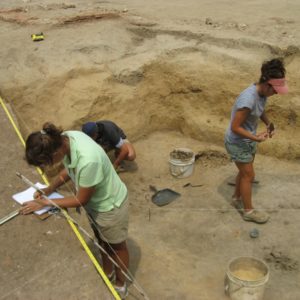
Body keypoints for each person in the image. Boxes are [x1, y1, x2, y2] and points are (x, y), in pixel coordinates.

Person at [20, 122, 129, 298]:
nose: (46, 168)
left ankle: (120, 283)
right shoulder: (66, 139)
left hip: (110, 207)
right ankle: (107, 272)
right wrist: (50, 188)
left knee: (117, 247)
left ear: (56, 152)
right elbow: (68, 170)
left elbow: (81, 199)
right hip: (96, 205)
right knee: (102, 241)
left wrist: (44, 203)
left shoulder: (88, 160)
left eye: (46, 163)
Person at [225, 58, 288, 224]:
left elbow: (260, 111)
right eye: (275, 90)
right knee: (248, 175)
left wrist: (268, 123)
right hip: (238, 142)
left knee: (245, 172)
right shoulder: (248, 100)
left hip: (248, 139)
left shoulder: (262, 93)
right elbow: (235, 127)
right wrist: (256, 138)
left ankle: (236, 198)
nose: (276, 94)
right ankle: (248, 211)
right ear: (267, 84)